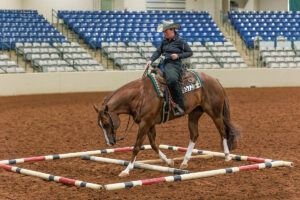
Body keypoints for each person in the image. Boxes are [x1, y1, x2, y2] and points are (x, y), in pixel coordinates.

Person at [146, 21, 193, 117]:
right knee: (151, 78)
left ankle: (180, 106)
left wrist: (178, 56)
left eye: (165, 32)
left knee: (172, 80)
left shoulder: (180, 40)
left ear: (172, 30)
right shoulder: (164, 40)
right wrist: (151, 60)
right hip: (163, 63)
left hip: (174, 63)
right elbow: (158, 51)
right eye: (163, 32)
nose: (164, 34)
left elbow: (189, 52)